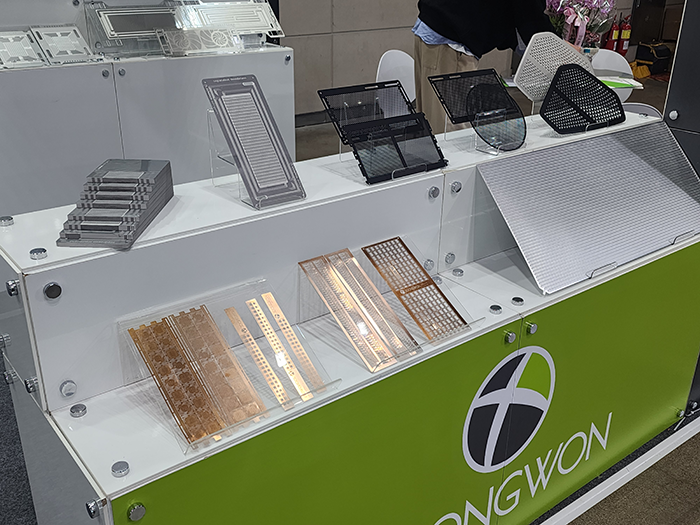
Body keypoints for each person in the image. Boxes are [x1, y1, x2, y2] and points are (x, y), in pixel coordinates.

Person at [413, 0, 555, 130]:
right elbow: (530, 16)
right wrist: (556, 51)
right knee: (450, 130)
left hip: (434, 28)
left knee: (430, 121)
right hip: (450, 39)